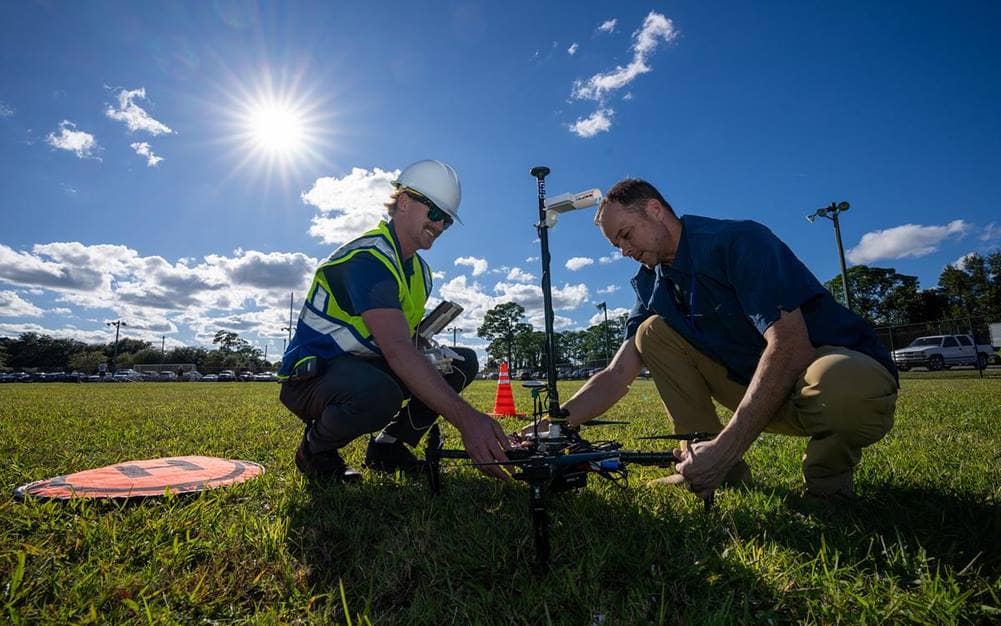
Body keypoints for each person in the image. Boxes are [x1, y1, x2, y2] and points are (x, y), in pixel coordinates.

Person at [559, 178, 898, 503]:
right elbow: (617, 374)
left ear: (655, 209)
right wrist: (550, 427)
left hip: (823, 378)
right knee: (652, 333)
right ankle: (707, 464)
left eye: (626, 235)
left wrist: (728, 446)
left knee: (843, 384)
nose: (624, 250)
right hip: (756, 386)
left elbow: (791, 345)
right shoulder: (651, 282)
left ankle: (828, 488)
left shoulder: (739, 241)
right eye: (616, 244)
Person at [278, 160, 511, 482]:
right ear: (404, 202)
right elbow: (398, 350)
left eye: (447, 220)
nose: (440, 225)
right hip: (314, 376)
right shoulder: (368, 259)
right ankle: (315, 450)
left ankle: (389, 446)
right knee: (379, 393)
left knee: (460, 362)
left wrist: (426, 345)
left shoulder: (420, 271)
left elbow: (403, 339)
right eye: (434, 213)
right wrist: (469, 420)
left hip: (364, 364)